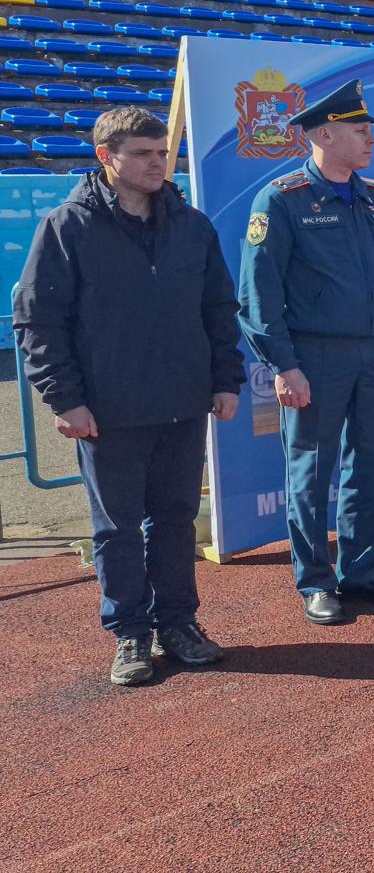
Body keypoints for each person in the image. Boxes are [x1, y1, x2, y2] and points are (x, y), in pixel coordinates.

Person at [13, 107, 243, 685]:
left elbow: (218, 308)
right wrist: (64, 400)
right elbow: (38, 321)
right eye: (142, 154)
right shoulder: (68, 227)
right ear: (105, 157)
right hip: (107, 412)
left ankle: (179, 624)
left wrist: (223, 379)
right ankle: (130, 634)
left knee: (175, 519)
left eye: (162, 153)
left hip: (183, 403)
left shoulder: (192, 226)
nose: (157, 164)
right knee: (116, 528)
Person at [237, 80, 374, 625]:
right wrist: (283, 365)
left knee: (371, 465)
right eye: (360, 131)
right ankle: (316, 581)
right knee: (311, 470)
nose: (371, 140)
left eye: (369, 130)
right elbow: (258, 293)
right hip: (314, 357)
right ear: (324, 134)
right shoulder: (282, 199)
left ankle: (362, 571)